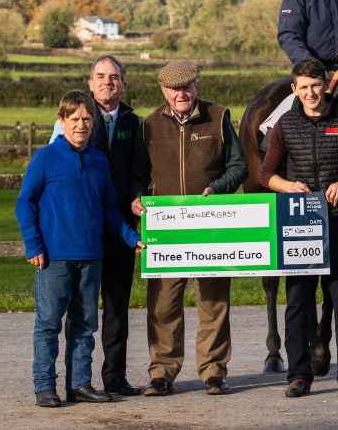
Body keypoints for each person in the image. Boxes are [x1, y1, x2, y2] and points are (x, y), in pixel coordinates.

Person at [16, 90, 144, 408]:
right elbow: (24, 203)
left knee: (85, 323)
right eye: (74, 119)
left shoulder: (99, 161)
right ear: (62, 121)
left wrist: (130, 237)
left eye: (86, 119)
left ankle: (80, 384)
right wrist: (33, 244)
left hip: (91, 256)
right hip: (54, 258)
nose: (81, 125)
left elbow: (110, 209)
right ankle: (45, 386)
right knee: (48, 323)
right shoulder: (45, 158)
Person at [258, 58, 338, 399]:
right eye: (303, 87)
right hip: (300, 224)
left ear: (325, 85)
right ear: (294, 89)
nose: (310, 93)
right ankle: (298, 375)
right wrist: (287, 185)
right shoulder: (285, 124)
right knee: (298, 301)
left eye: (315, 85)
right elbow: (266, 174)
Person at [131, 60, 247, 397]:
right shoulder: (148, 125)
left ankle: (213, 371)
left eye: (187, 87)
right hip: (166, 230)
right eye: (173, 89)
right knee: (163, 304)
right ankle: (162, 372)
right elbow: (138, 176)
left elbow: (238, 166)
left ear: (197, 85)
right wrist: (137, 199)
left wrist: (219, 188)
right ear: (163, 90)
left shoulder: (219, 117)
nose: (181, 94)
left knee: (214, 301)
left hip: (210, 227)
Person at [50, 55, 146, 397]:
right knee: (81, 309)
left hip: (121, 228)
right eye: (101, 76)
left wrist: (137, 197)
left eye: (114, 77)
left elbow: (140, 172)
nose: (108, 82)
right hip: (84, 231)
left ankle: (115, 377)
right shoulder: (78, 119)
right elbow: (54, 168)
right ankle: (79, 380)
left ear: (123, 83)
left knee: (118, 307)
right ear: (90, 83)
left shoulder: (134, 122)